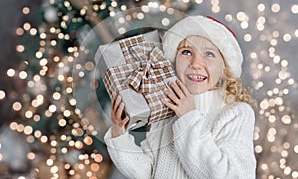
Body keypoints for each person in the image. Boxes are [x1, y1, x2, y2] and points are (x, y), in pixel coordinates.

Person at [104, 15, 257, 178]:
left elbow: (230, 175)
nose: (196, 63)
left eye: (209, 54)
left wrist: (188, 117)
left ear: (224, 68)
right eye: (186, 52)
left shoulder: (235, 114)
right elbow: (148, 172)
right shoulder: (166, 110)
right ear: (174, 62)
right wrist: (119, 134)